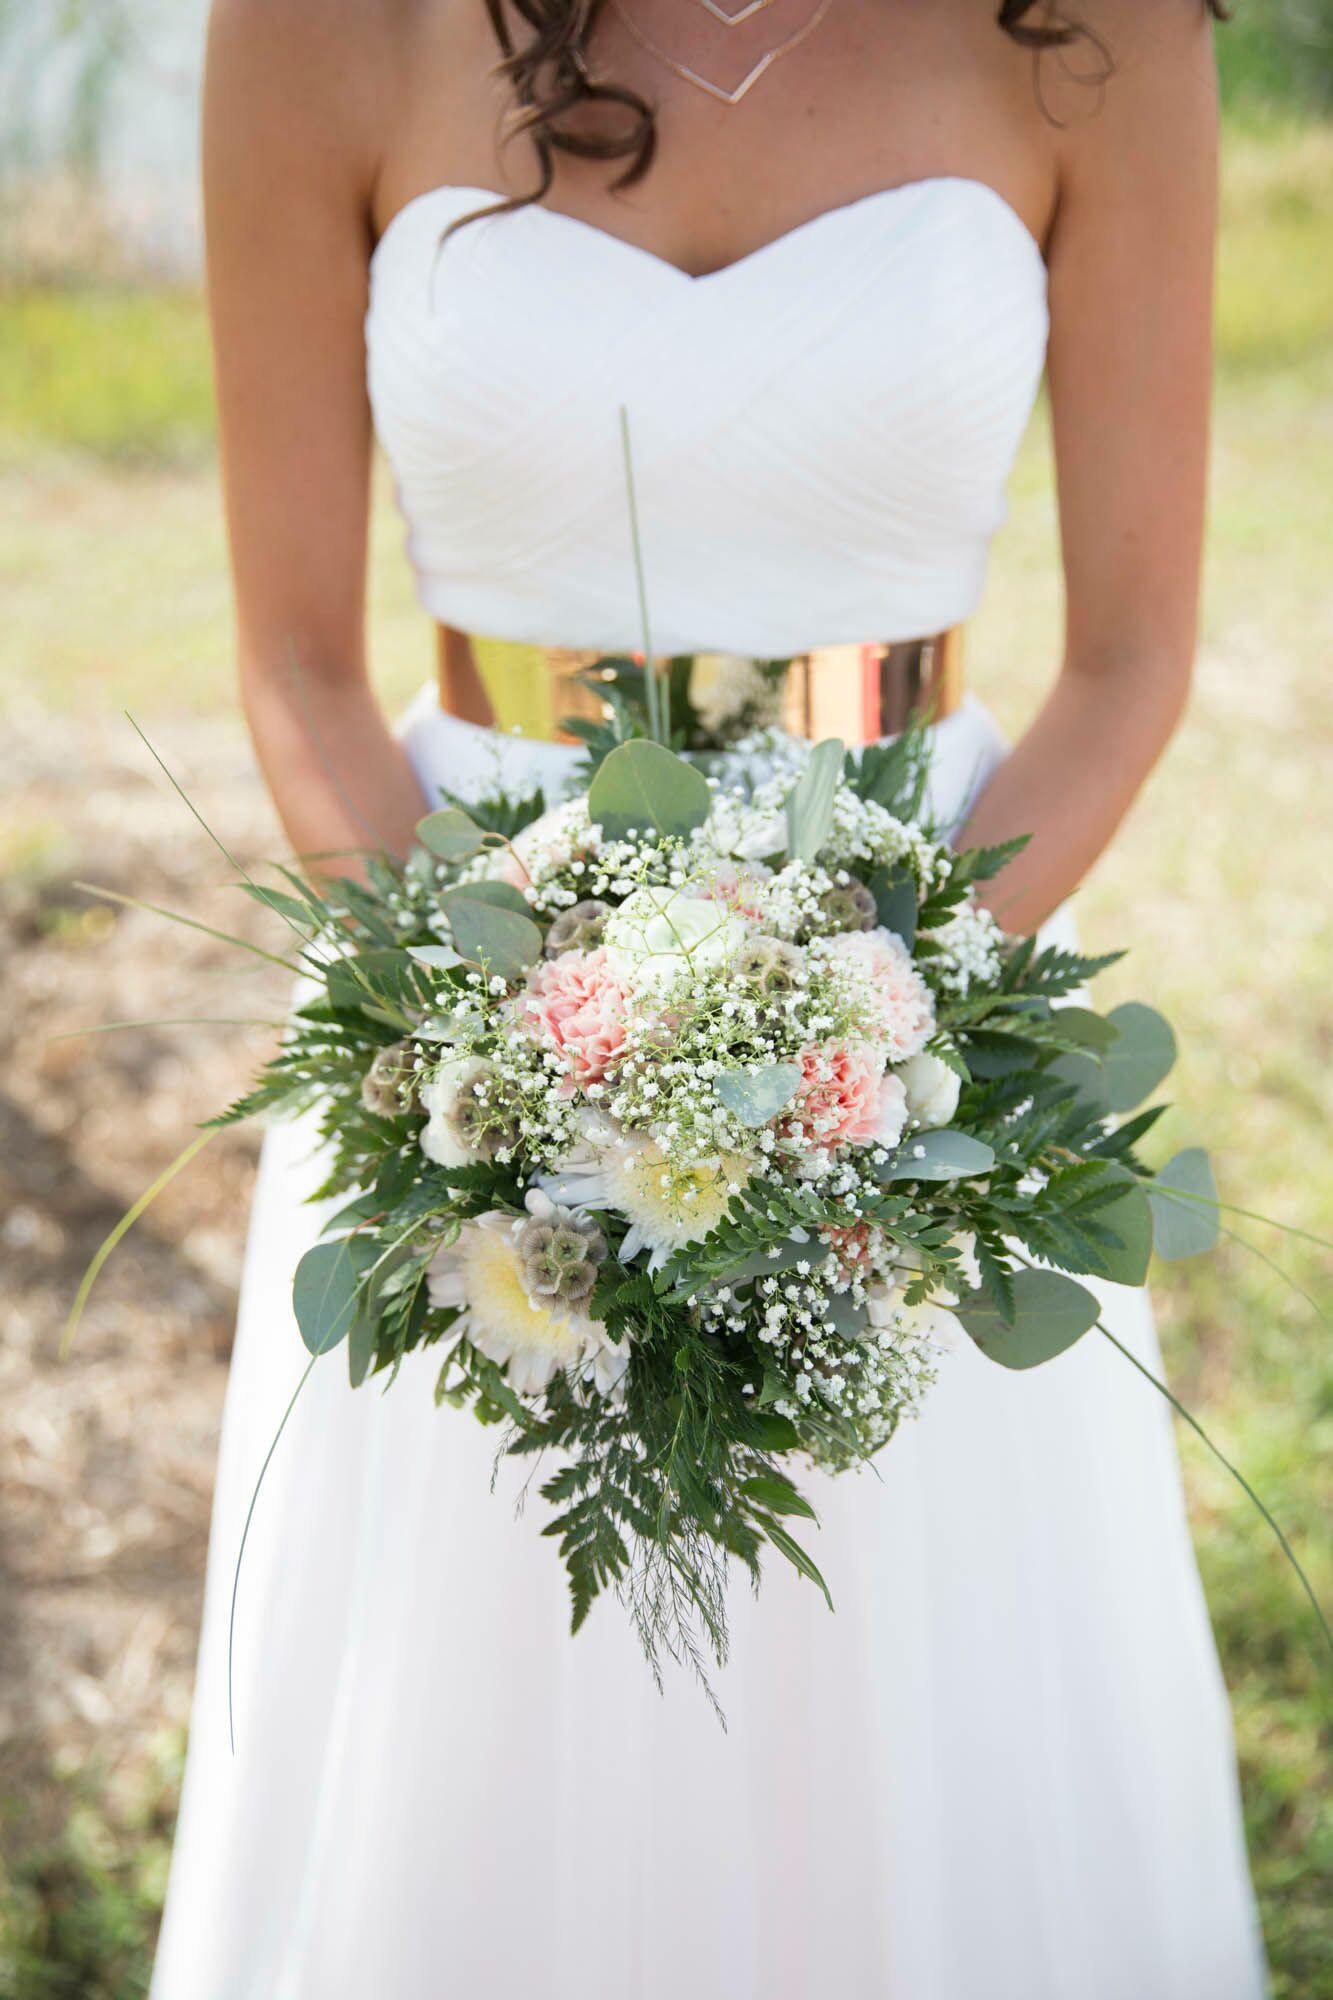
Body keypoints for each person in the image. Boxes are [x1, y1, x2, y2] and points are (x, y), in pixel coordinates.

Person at [150, 3, 1269, 1994]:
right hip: (462, 971)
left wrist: (890, 1021)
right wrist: (471, 1034)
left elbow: (1131, 657)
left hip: (921, 998)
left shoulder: (1101, 33)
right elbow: (298, 662)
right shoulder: (322, 26)